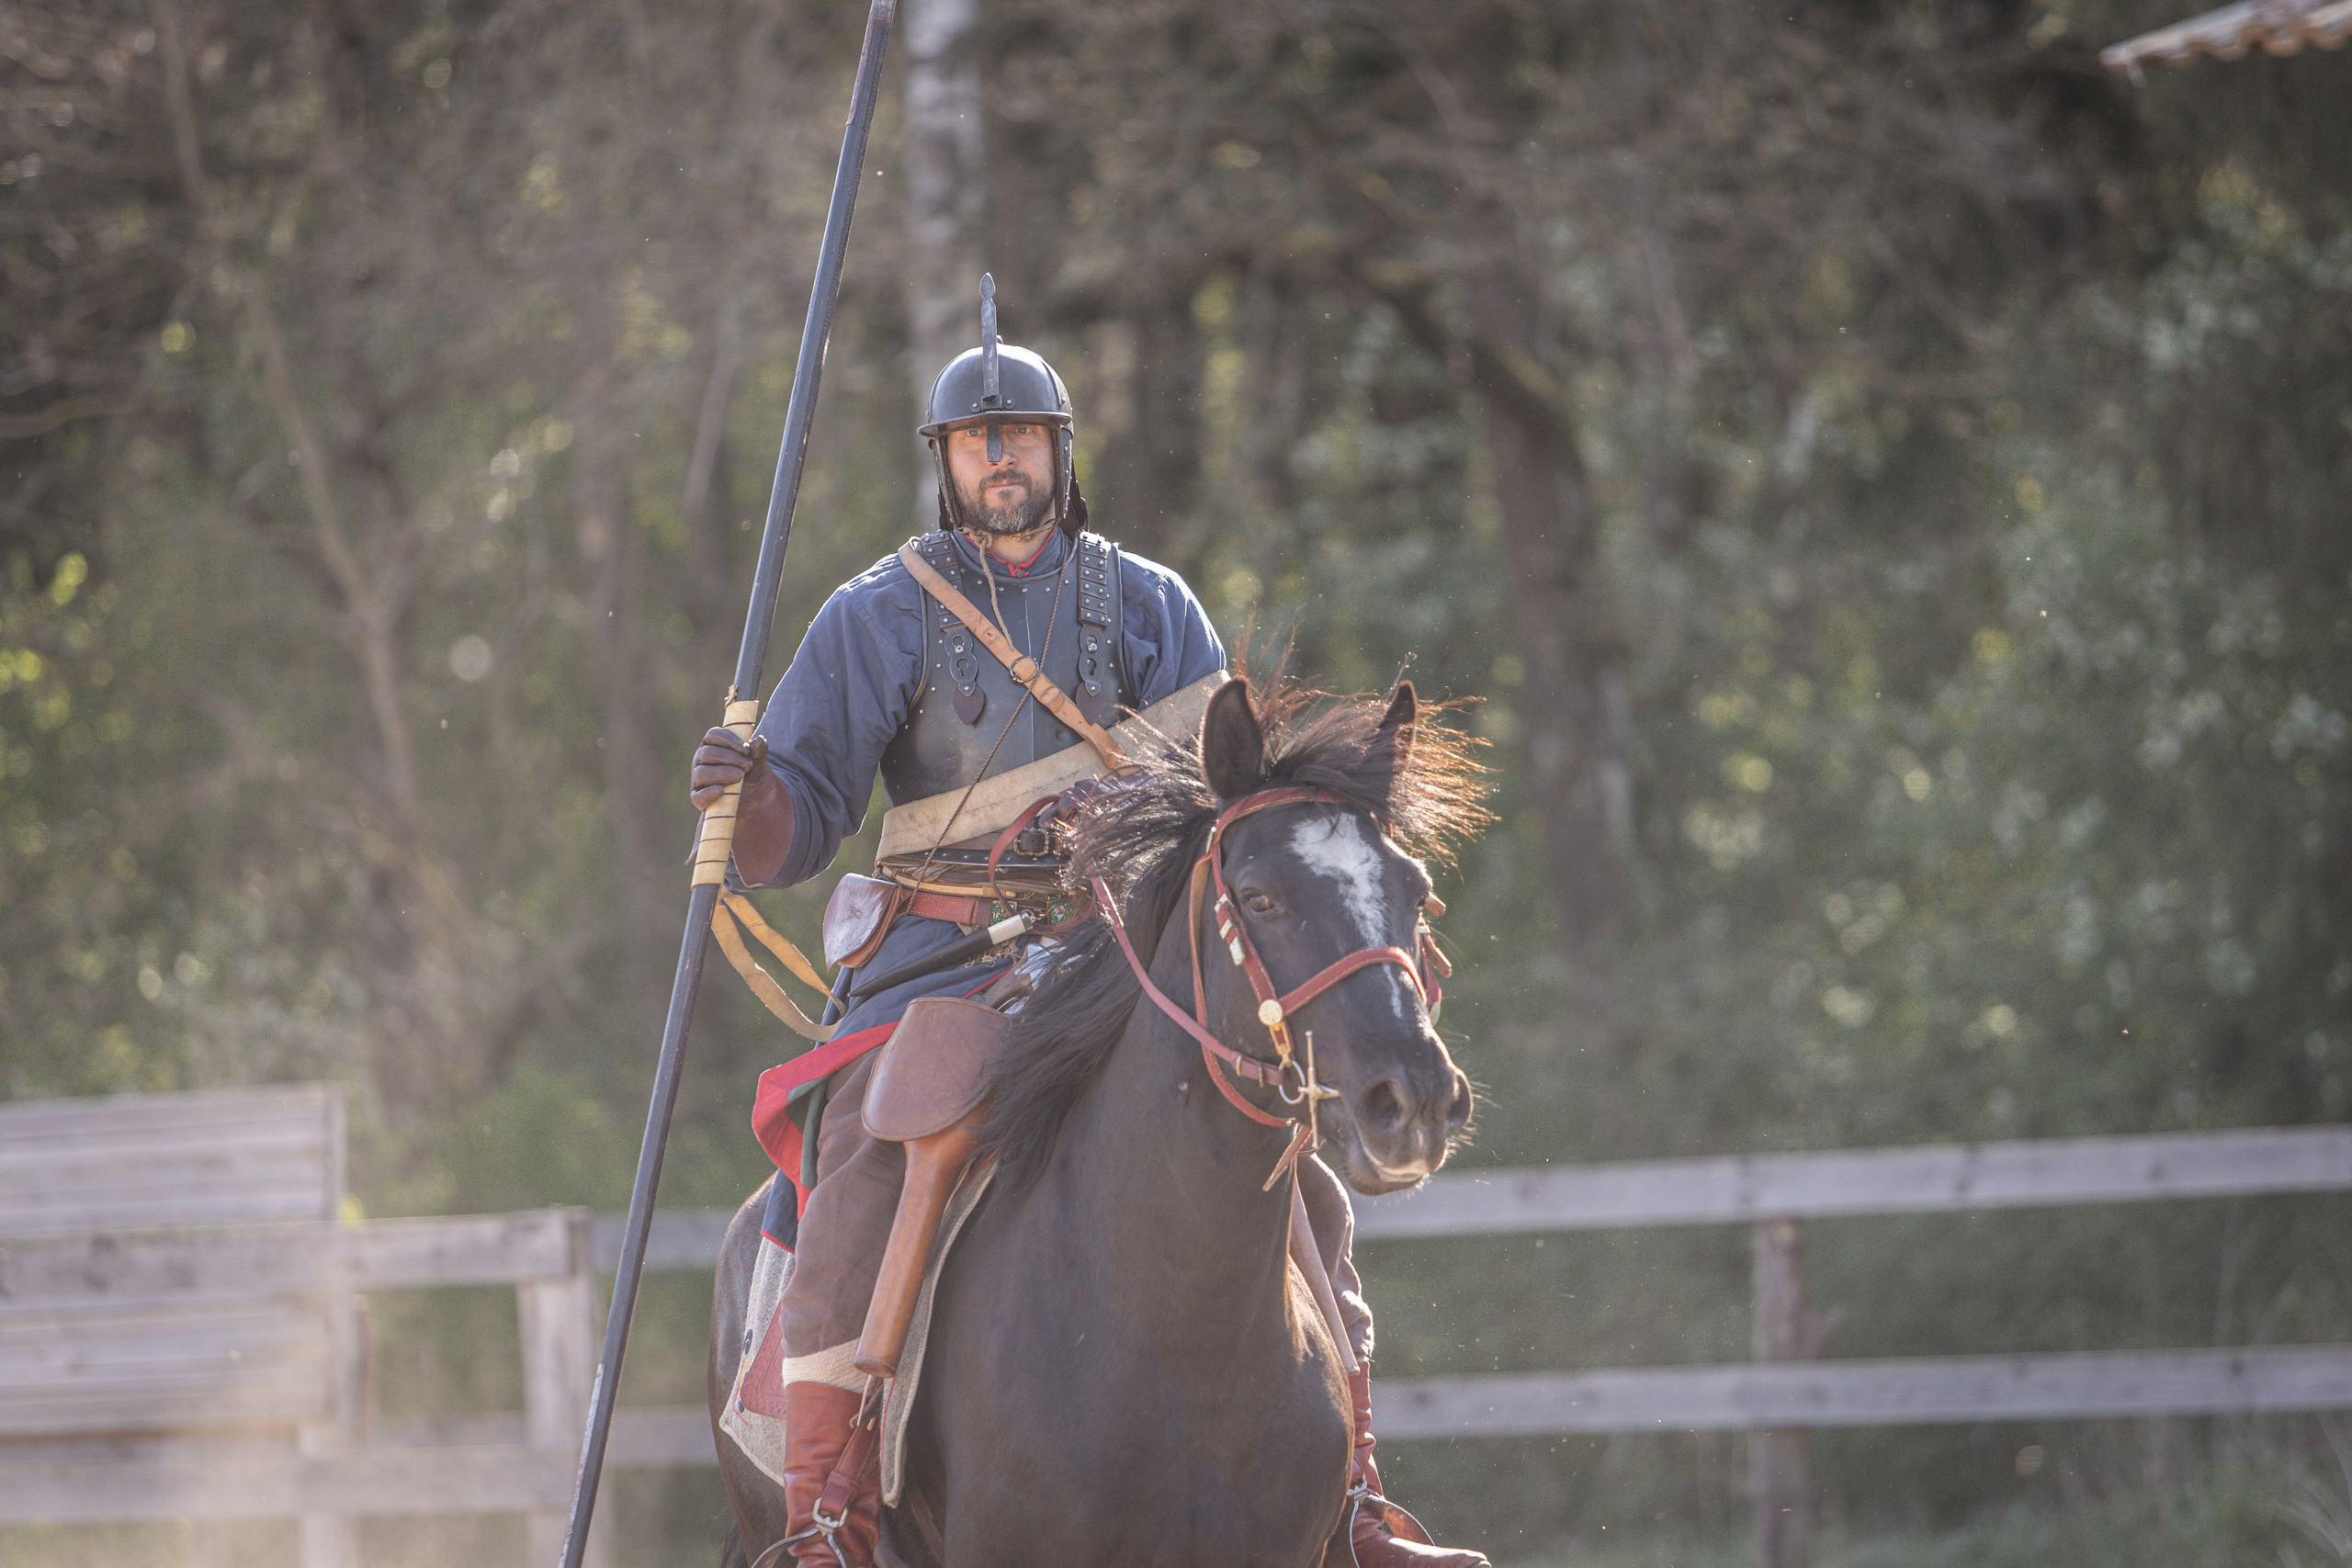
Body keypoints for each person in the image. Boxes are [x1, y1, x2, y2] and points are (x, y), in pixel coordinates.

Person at [689, 281, 1487, 1568]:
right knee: (863, 1155)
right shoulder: (876, 614)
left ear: (1063, 453)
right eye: (975, 440)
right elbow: (794, 832)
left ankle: (1355, 1503)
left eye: (1023, 437)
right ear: (944, 464)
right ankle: (827, 1512)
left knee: (1301, 1182)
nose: (1000, 457)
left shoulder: (1156, 605)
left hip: (1118, 953)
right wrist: (749, 794)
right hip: (935, 963)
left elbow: (1228, 810)